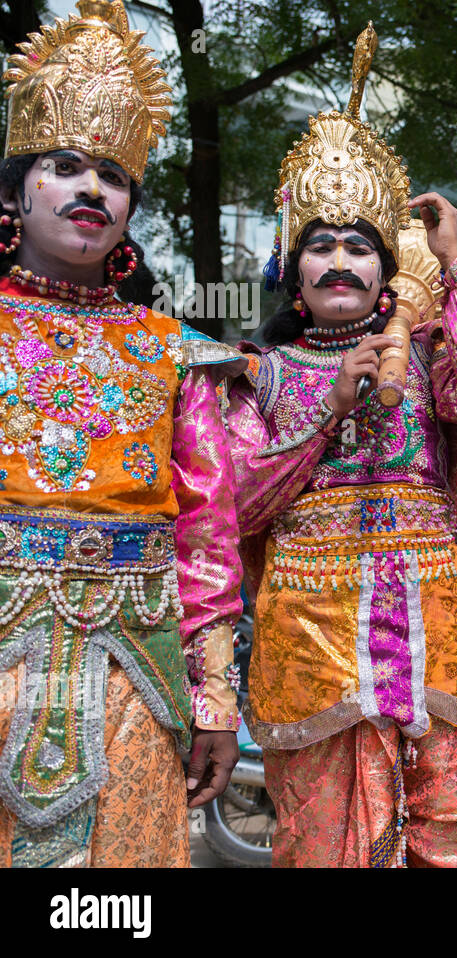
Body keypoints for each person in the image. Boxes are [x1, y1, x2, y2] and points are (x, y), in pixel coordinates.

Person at [225, 25, 457, 867]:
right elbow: (233, 505)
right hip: (308, 636)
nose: (341, 262)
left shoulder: (426, 360)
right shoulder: (258, 373)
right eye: (321, 245)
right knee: (325, 843)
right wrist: (329, 410)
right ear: (292, 267)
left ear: (388, 269)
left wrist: (456, 265)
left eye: (360, 246)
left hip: (436, 620)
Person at [0, 0, 244, 867]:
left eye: (114, 175)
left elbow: (209, 537)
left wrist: (216, 702)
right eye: (65, 166)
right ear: (14, 191)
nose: (93, 190)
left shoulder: (176, 353)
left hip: (138, 670)